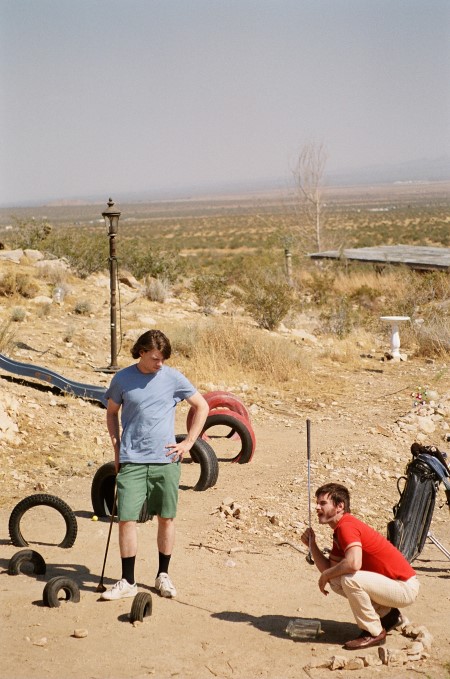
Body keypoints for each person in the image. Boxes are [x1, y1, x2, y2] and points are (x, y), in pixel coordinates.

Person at [100, 329, 209, 601]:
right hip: (132, 460)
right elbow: (112, 413)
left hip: (166, 461)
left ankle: (163, 576)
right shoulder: (123, 378)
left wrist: (188, 443)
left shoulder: (172, 377)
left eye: (163, 359)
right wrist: (116, 448)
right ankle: (128, 581)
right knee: (126, 520)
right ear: (141, 352)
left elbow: (202, 406)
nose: (160, 364)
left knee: (166, 518)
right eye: (155, 358)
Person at [301, 482, 420, 650]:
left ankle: (373, 632)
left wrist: (325, 576)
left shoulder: (347, 526)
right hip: (396, 585)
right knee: (337, 580)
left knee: (350, 579)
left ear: (339, 506)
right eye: (317, 503)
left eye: (322, 503)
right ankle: (389, 616)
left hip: (404, 587)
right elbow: (330, 570)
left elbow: (353, 563)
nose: (317, 507)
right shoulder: (339, 530)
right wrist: (312, 546)